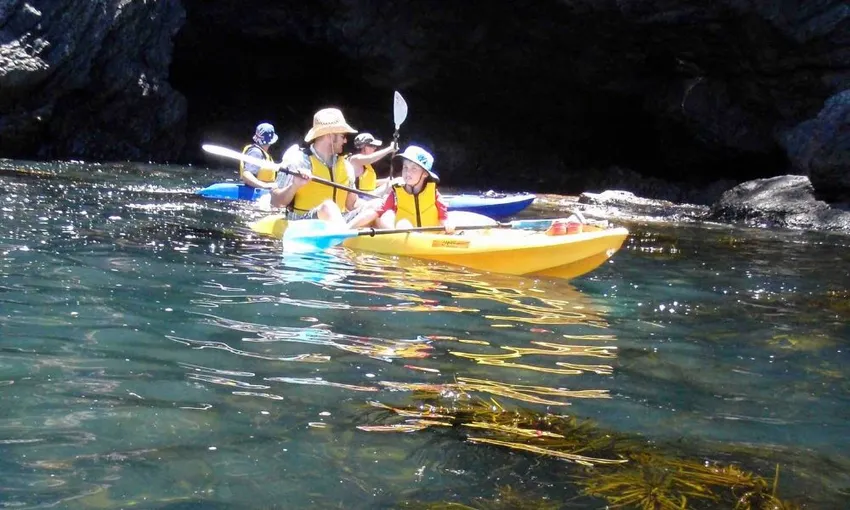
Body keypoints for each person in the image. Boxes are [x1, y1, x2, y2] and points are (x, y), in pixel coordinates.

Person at [269, 108, 364, 223]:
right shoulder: (297, 161)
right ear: (330, 136)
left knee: (376, 206)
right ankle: (341, 235)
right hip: (303, 222)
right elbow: (275, 201)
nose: (345, 141)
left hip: (338, 222)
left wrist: (376, 206)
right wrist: (294, 185)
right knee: (328, 207)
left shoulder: (346, 166)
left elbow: (351, 204)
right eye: (343, 136)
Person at [346, 145, 454, 233]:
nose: (408, 172)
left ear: (425, 174)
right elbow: (374, 213)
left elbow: (444, 218)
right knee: (391, 217)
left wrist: (448, 225)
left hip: (430, 239)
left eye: (414, 168)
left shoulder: (434, 195)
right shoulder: (396, 194)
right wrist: (347, 229)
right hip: (405, 236)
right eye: (405, 167)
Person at [240, 122, 279, 189]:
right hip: (255, 194)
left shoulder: (261, 152)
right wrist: (265, 186)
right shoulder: (256, 152)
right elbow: (246, 175)